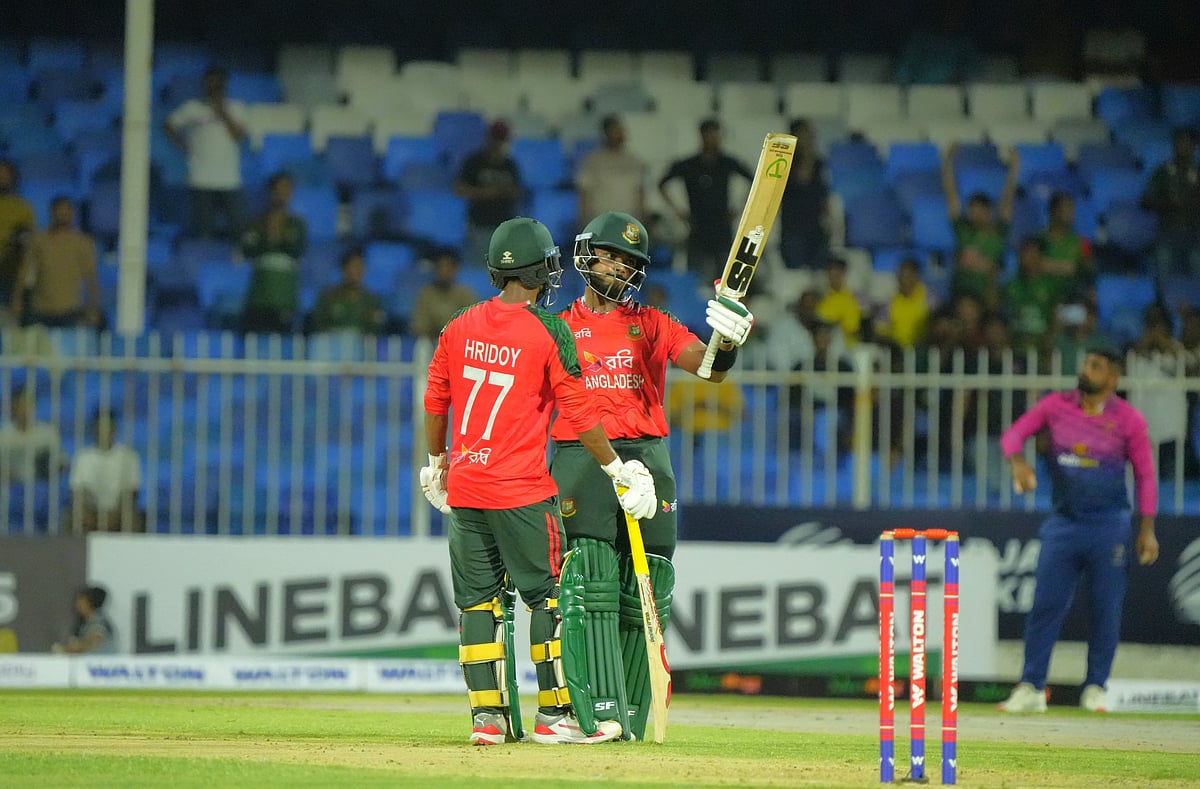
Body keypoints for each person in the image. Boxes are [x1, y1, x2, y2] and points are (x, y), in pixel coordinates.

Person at [421, 216, 657, 746]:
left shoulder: (459, 324)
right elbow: (580, 412)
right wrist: (617, 469)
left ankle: (488, 720)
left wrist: (437, 463)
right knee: (551, 598)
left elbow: (436, 399)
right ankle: (556, 715)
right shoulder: (550, 330)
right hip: (523, 491)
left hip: (466, 487)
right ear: (542, 270)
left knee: (478, 604)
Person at [548, 211, 753, 741]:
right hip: (580, 457)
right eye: (611, 256)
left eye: (629, 261)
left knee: (650, 582)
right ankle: (591, 711)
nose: (619, 267)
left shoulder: (653, 323)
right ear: (587, 255)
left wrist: (727, 339)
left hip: (647, 453)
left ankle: (633, 713)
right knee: (589, 578)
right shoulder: (557, 327)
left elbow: (708, 367)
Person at [998, 345, 1158, 714]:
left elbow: (1146, 476)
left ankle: (1096, 687)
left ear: (1113, 378)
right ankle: (1031, 687)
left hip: (1109, 526)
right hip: (1064, 523)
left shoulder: (1129, 419)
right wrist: (1018, 462)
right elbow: (1012, 436)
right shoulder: (1056, 405)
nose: (1086, 370)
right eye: (1086, 363)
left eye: (1096, 366)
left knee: (1105, 609)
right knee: (1045, 605)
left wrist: (1147, 528)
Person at [657, 119, 753, 282]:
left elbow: (753, 180)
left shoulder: (727, 163)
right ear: (702, 136)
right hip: (697, 224)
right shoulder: (690, 164)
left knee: (725, 276)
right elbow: (663, 184)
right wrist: (678, 211)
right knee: (695, 276)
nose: (713, 139)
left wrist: (739, 208)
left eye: (716, 135)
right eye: (709, 135)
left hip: (722, 224)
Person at [163, 66, 248, 241]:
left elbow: (238, 136)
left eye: (217, 84)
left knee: (239, 229)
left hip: (229, 179)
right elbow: (168, 125)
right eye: (210, 83)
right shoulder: (192, 108)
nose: (213, 87)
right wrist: (181, 143)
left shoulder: (237, 108)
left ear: (224, 85)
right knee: (204, 232)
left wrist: (223, 112)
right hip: (200, 178)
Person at [941, 143, 1019, 312]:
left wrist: (1014, 168)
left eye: (978, 210)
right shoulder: (963, 230)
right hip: (960, 295)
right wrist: (947, 160)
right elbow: (951, 195)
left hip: (987, 297)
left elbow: (1008, 198)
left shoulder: (999, 232)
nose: (974, 214)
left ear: (988, 211)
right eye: (971, 210)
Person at [11, 196, 102, 329]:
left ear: (72, 214)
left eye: (66, 211)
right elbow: (24, 274)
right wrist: (17, 301)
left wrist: (93, 308)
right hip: (40, 311)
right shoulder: (38, 241)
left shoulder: (82, 243)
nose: (62, 215)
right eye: (59, 211)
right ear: (52, 213)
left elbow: (92, 279)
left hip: (70, 311)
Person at [240, 172, 307, 335]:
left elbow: (298, 250)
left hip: (285, 293)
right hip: (259, 293)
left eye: (286, 189)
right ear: (270, 192)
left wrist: (281, 238)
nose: (282, 194)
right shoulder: (257, 222)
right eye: (278, 189)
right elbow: (247, 249)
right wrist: (268, 238)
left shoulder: (297, 224)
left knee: (285, 340)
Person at [453, 120, 523, 269]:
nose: (498, 144)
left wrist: (498, 192)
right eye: (496, 139)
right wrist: (487, 193)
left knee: (504, 271)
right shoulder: (474, 162)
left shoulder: (510, 165)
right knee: (480, 269)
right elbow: (459, 189)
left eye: (502, 140)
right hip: (479, 225)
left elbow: (517, 191)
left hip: (504, 228)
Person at [1141, 127, 1200, 289]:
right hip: (1167, 233)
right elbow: (1145, 201)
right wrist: (1167, 202)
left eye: (1186, 142)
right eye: (1178, 142)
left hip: (1195, 234)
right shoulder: (1163, 172)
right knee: (1162, 263)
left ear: (1194, 145)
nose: (1182, 146)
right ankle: (1162, 302)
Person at [67, 410, 142, 533]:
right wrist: (89, 515)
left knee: (132, 516)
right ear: (94, 429)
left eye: (108, 427)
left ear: (114, 429)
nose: (104, 432)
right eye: (100, 427)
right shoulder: (83, 457)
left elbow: (132, 491)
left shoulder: (129, 457)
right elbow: (77, 492)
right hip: (90, 511)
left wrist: (115, 515)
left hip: (119, 512)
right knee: (72, 515)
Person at [777, 118, 830, 270]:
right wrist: (807, 154)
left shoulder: (818, 162)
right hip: (794, 227)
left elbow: (822, 190)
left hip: (816, 226)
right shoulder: (785, 161)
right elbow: (802, 180)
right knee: (796, 271)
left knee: (819, 270)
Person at [575, 114, 646, 223]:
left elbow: (640, 191)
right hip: (601, 222)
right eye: (615, 131)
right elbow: (584, 193)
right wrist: (582, 219)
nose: (620, 134)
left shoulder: (633, 160)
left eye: (621, 131)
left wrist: (644, 218)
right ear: (606, 133)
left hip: (628, 223)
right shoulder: (593, 161)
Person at [308, 248, 386, 335]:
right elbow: (317, 325)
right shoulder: (328, 297)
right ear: (344, 269)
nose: (358, 271)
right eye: (354, 266)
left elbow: (378, 329)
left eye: (361, 266)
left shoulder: (372, 300)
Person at [408, 247, 480, 341]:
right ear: (435, 269)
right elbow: (419, 326)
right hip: (431, 343)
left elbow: (472, 326)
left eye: (448, 267)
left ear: (455, 269)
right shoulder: (426, 295)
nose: (444, 271)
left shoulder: (466, 295)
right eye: (440, 267)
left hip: (459, 342)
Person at [1002, 237, 1058, 354]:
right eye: (1025, 253)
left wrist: (1049, 341)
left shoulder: (1051, 285)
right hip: (1014, 347)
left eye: (1033, 253)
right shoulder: (1011, 285)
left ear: (1041, 257)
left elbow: (1057, 316)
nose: (1029, 258)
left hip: (1041, 348)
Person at [0, 384, 66, 483]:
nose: (24, 409)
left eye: (28, 404)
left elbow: (62, 463)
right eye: (20, 405)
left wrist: (52, 469)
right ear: (13, 407)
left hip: (43, 486)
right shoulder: (3, 435)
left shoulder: (48, 433)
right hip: (12, 487)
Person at [1038, 192, 1094, 306]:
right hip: (1040, 299)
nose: (1071, 213)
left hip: (1070, 300)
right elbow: (1031, 267)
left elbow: (1088, 271)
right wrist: (1067, 268)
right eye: (1067, 208)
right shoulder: (1036, 239)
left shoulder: (1083, 243)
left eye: (1072, 209)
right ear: (1052, 211)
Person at [873, 257, 930, 350]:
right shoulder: (890, 304)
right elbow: (880, 331)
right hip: (897, 352)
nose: (903, 281)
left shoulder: (930, 301)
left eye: (907, 276)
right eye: (900, 276)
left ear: (916, 277)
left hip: (924, 351)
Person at [0, 159, 36, 304]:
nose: (2, 177)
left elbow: (28, 241)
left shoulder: (22, 208)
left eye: (5, 174)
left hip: (11, 274)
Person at [51, 586, 117, 655]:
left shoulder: (98, 622)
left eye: (81, 602)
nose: (77, 605)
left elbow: (91, 642)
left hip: (101, 660)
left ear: (89, 603)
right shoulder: (84, 623)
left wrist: (67, 650)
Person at [815, 256, 863, 345]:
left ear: (843, 273)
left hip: (843, 345)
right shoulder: (820, 296)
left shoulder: (850, 300)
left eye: (837, 271)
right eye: (830, 270)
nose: (833, 274)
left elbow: (851, 329)